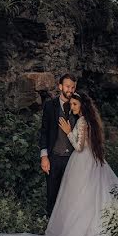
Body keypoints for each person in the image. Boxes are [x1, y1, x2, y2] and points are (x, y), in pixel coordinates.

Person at [0, 91, 118, 236]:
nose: (73, 107)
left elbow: (79, 147)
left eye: (75, 105)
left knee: (79, 198)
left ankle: (77, 233)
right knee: (87, 199)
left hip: (82, 162)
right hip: (91, 162)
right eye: (72, 105)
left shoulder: (82, 121)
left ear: (83, 106)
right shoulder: (90, 121)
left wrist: (69, 132)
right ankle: (84, 229)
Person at [38, 73, 78, 217]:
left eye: (73, 87)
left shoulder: (77, 107)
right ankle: (50, 229)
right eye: (67, 86)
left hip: (73, 159)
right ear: (60, 86)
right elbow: (44, 132)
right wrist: (44, 157)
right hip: (54, 157)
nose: (70, 90)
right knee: (52, 195)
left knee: (71, 197)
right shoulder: (50, 106)